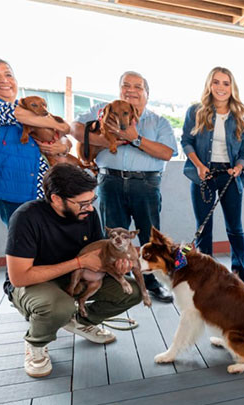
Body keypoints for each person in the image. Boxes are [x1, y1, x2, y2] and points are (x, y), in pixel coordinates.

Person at [5, 164, 143, 378]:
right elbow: (19, 277)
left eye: (92, 201)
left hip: (80, 278)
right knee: (59, 306)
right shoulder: (26, 217)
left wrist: (119, 264)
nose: (89, 208)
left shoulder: (88, 214)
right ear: (56, 199)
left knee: (132, 292)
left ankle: (79, 321)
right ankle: (36, 342)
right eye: (82, 203)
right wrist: (78, 263)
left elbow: (100, 253)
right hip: (34, 283)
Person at [71, 71, 177, 302]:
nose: (131, 90)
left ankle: (153, 284)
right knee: (112, 238)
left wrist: (134, 138)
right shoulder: (101, 110)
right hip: (110, 181)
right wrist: (107, 140)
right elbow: (75, 129)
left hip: (146, 183)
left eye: (137, 87)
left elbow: (167, 153)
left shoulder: (158, 121)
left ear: (146, 93)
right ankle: (114, 285)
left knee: (150, 239)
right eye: (125, 85)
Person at [0, 57, 72, 225]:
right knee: (27, 239)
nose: (4, 80)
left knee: (40, 238)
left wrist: (63, 144)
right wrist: (62, 126)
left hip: (34, 187)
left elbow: (58, 132)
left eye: (8, 75)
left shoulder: (23, 107)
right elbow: (19, 115)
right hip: (9, 187)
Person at [182, 67, 244, 285]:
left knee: (235, 228)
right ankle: (206, 274)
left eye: (226, 83)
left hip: (230, 175)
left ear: (232, 88)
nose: (221, 88)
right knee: (204, 225)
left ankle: (240, 275)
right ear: (209, 85)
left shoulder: (239, 118)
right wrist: (200, 166)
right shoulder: (195, 111)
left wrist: (238, 168)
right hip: (203, 174)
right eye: (216, 82)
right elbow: (186, 141)